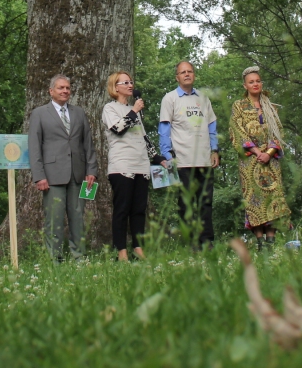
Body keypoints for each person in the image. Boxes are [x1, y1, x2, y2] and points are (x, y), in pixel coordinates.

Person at [28, 74, 98, 261]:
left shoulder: (79, 113)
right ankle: (55, 260)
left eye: (67, 88)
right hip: (51, 177)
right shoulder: (39, 113)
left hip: (78, 175)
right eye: (61, 88)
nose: (65, 91)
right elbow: (34, 147)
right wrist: (39, 175)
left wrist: (91, 171)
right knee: (54, 221)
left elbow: (88, 144)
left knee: (78, 219)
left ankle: (79, 258)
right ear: (51, 91)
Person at [229, 66, 291, 249]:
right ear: (245, 85)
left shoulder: (270, 107)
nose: (255, 84)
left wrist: (269, 153)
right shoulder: (239, 106)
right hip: (250, 161)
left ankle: (271, 243)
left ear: (261, 84)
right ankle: (260, 243)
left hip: (270, 162)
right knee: (255, 200)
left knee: (273, 200)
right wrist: (257, 152)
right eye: (251, 82)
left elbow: (278, 133)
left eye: (257, 81)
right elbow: (236, 131)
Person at [159, 60, 218, 248]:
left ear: (194, 74)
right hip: (182, 160)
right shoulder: (170, 98)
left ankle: (207, 243)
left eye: (190, 71)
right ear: (177, 77)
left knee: (205, 203)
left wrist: (215, 150)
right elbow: (164, 128)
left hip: (204, 159)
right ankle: (191, 244)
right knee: (186, 205)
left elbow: (212, 126)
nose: (186, 74)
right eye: (182, 72)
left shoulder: (204, 98)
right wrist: (167, 155)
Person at [102, 71, 156, 261]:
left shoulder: (136, 111)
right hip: (121, 165)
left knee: (139, 210)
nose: (130, 85)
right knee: (122, 210)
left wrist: (158, 158)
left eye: (131, 81)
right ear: (115, 87)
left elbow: (143, 138)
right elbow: (117, 129)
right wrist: (134, 111)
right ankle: (121, 252)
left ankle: (138, 248)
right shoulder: (110, 109)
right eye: (125, 82)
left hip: (141, 164)